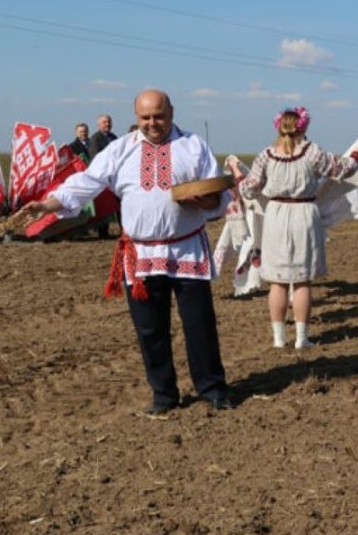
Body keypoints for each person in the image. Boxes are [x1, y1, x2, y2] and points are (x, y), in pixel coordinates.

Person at [21, 90, 232, 414]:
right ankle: (164, 395)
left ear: (171, 112)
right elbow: (86, 182)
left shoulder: (194, 146)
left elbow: (218, 194)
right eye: (145, 117)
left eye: (158, 116)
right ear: (136, 117)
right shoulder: (120, 149)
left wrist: (210, 201)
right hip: (141, 255)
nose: (152, 123)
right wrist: (49, 204)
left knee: (199, 323)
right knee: (150, 329)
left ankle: (213, 389)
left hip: (186, 249)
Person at [230, 107, 358, 350]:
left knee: (277, 281)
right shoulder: (312, 152)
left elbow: (247, 190)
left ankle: (278, 339)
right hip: (304, 216)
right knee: (302, 280)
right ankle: (301, 338)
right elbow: (344, 169)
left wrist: (236, 170)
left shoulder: (266, 155)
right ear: (304, 127)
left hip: (275, 216)